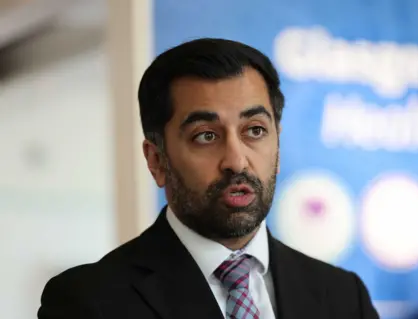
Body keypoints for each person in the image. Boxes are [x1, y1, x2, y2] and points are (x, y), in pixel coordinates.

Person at [37, 38, 379, 319]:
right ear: (156, 160)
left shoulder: (344, 298)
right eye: (206, 136)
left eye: (255, 130)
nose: (236, 160)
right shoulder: (88, 303)